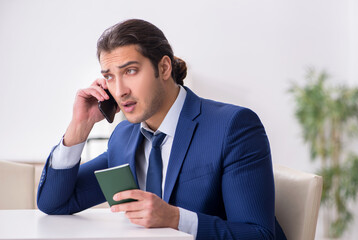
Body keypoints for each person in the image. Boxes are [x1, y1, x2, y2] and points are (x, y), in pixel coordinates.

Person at [37, 19, 287, 240]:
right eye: (110, 77)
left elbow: (259, 234)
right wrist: (79, 126)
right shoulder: (123, 137)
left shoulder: (233, 127)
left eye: (130, 71)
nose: (120, 90)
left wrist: (175, 218)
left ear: (164, 68)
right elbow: (54, 203)